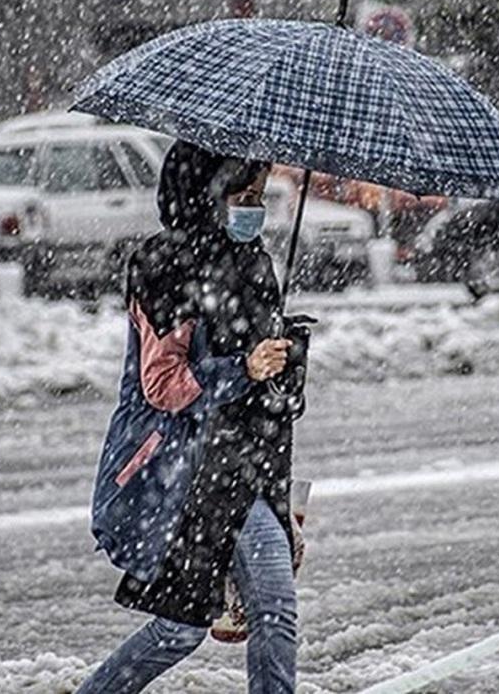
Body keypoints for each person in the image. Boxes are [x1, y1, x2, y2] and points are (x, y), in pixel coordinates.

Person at [80, 140, 311, 694]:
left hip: (248, 460)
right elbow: (162, 385)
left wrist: (286, 359)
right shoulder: (163, 267)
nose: (252, 207)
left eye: (259, 194)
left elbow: (267, 378)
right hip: (187, 470)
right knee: (181, 630)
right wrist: (242, 369)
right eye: (242, 194)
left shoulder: (254, 263)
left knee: (272, 609)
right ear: (204, 193)